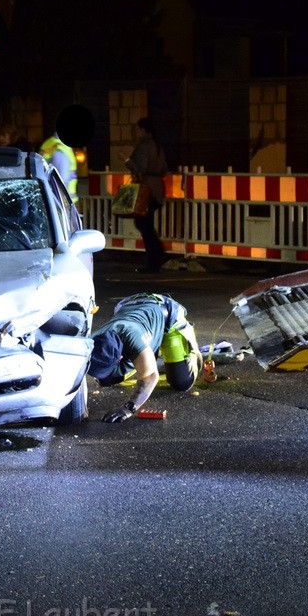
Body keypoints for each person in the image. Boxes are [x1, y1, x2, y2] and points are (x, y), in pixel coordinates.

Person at [87, 293, 201, 423]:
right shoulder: (90, 341)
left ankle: (192, 353)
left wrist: (128, 409)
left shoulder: (133, 337)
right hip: (128, 307)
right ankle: (147, 357)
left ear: (120, 358)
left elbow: (150, 376)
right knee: (106, 379)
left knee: (181, 382)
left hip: (166, 314)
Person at [125, 117, 169, 272]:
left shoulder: (143, 147)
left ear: (144, 130)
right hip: (157, 189)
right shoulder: (157, 146)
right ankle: (157, 255)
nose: (136, 132)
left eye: (138, 129)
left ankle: (155, 258)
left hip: (146, 190)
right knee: (146, 223)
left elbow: (140, 169)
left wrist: (127, 161)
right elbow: (164, 168)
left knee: (144, 224)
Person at [39, 132, 78, 203]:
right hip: (61, 201)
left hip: (59, 200)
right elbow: (61, 178)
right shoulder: (60, 148)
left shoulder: (55, 145)